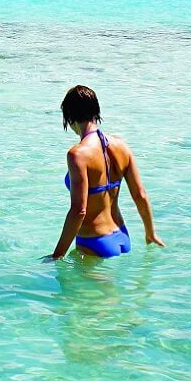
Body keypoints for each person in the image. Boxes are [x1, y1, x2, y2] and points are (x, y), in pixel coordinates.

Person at [44, 85, 162, 261]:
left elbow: (79, 210)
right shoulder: (121, 145)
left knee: (85, 289)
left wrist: (57, 255)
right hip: (122, 236)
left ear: (70, 117)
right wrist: (150, 233)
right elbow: (140, 195)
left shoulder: (78, 155)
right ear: (95, 111)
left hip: (94, 241)